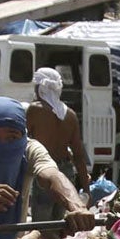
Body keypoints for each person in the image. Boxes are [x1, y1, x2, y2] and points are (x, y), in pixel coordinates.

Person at [0, 96, 95, 239]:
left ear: (23, 135)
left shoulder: (29, 149)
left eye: (12, 137)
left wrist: (77, 207)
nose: (3, 147)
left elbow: (52, 176)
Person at [27, 67, 82, 204]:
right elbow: (79, 154)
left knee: (42, 223)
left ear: (40, 88)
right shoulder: (70, 115)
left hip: (44, 171)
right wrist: (86, 189)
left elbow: (21, 141)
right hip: (66, 172)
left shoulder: (34, 110)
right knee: (60, 221)